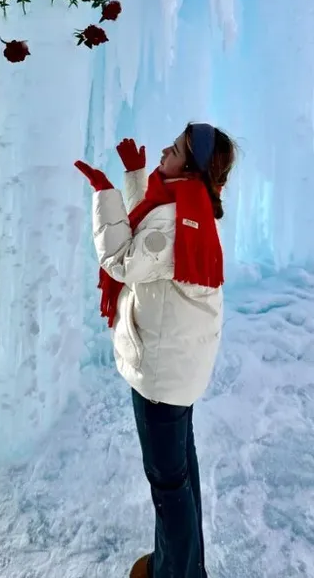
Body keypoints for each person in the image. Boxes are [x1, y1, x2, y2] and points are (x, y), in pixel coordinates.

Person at [75, 123, 237, 578]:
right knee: (182, 472)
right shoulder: (183, 206)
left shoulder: (171, 218)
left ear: (190, 166)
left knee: (169, 485)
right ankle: (185, 565)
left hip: (161, 376)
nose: (166, 147)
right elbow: (145, 236)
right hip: (178, 369)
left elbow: (123, 260)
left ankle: (175, 573)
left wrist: (105, 193)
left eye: (177, 147)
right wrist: (134, 177)